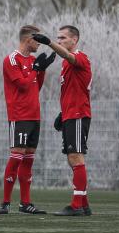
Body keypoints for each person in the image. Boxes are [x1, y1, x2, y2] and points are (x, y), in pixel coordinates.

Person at [31, 27, 93, 216]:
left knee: (76, 156)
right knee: (72, 158)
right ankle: (84, 203)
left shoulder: (79, 57)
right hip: (70, 114)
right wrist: (62, 113)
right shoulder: (66, 65)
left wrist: (49, 42)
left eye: (63, 38)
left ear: (74, 39)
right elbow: (73, 91)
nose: (60, 40)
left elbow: (68, 55)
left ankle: (76, 206)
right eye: (58, 37)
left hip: (78, 114)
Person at [0, 25, 55, 215]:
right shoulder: (11, 60)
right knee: (16, 158)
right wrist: (35, 69)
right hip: (19, 115)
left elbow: (35, 87)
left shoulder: (32, 60)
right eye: (37, 40)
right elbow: (23, 86)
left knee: (28, 161)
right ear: (27, 39)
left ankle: (25, 203)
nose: (39, 43)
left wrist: (42, 70)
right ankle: (5, 202)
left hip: (34, 116)